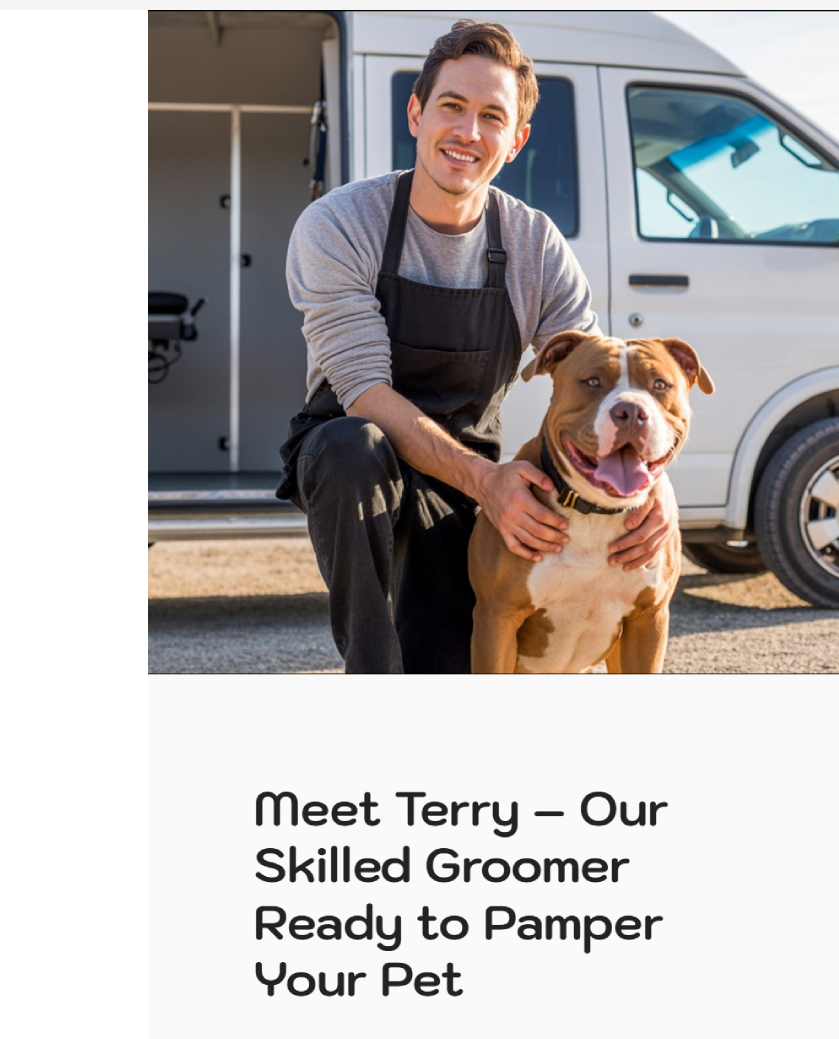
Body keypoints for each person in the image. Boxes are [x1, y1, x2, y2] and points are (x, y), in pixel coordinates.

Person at [277, 19, 670, 673]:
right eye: (452, 106)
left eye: (492, 116)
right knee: (354, 449)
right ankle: (370, 674)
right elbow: (367, 396)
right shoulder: (340, 224)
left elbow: (599, 378)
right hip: (358, 467)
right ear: (416, 113)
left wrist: (653, 492)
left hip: (463, 485)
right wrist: (488, 481)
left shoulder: (536, 246)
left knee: (452, 669)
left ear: (515, 141)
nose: (468, 132)